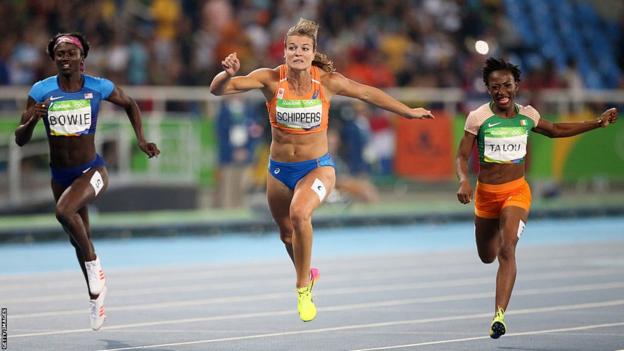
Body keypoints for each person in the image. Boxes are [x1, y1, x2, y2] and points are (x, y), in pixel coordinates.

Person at [210, 18, 433, 322]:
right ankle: (308, 274)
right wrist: (227, 74)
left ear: (313, 52)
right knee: (286, 234)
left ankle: (302, 289)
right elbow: (218, 90)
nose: (297, 53)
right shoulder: (270, 80)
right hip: (278, 171)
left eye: (304, 48)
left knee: (300, 214)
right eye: (292, 48)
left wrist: (407, 111)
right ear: (284, 52)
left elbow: (368, 93)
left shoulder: (327, 82)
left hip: (317, 168)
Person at [455, 57, 618, 339]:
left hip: (517, 192)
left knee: (507, 249)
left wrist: (597, 123)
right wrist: (463, 181)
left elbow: (555, 130)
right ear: (487, 88)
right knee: (487, 256)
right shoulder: (478, 117)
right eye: (495, 87)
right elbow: (461, 156)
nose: (501, 91)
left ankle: (499, 316)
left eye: (507, 85)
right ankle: (493, 244)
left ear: (517, 86)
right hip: (485, 196)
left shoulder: (527, 115)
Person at [14, 32, 160, 331]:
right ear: (53, 58)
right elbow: (20, 140)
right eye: (60, 53)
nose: (65, 57)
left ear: (82, 58)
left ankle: (96, 270)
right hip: (60, 175)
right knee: (78, 241)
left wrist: (141, 139)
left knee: (64, 212)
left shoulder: (98, 86)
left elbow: (130, 104)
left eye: (71, 53)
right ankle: (96, 299)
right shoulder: (41, 91)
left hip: (92, 171)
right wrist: (31, 118)